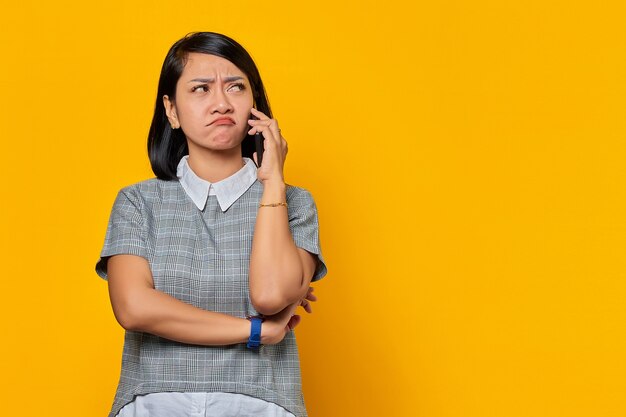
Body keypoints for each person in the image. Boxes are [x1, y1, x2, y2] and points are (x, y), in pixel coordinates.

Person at [95, 32, 327, 417]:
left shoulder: (292, 201)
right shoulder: (138, 202)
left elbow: (270, 295)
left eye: (236, 87)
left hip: (262, 404)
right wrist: (255, 332)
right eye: (201, 89)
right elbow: (134, 308)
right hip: (154, 403)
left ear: (254, 105)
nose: (221, 102)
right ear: (171, 110)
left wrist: (273, 182)